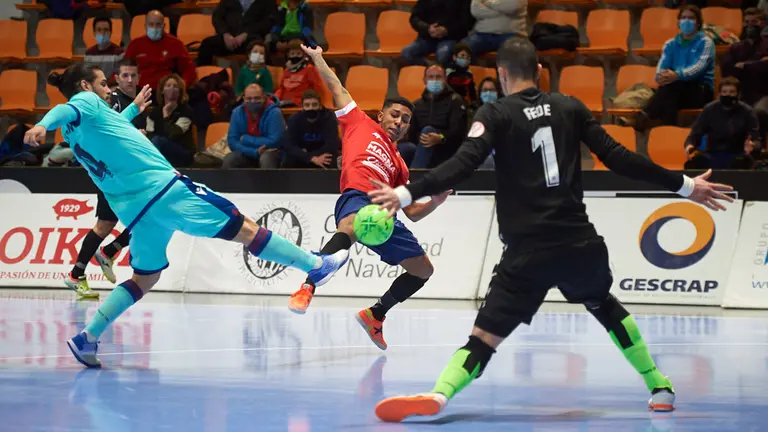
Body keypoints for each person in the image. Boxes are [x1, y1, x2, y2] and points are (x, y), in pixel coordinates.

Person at [368, 37, 734, 422]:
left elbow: (463, 163)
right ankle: (659, 385)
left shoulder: (495, 114)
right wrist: (687, 186)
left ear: (502, 74)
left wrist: (407, 191)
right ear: (540, 72)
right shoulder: (569, 107)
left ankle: (440, 395)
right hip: (579, 244)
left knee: (483, 339)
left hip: (527, 252)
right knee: (603, 304)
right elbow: (620, 157)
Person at [24, 63, 349, 369]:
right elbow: (66, 108)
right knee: (245, 228)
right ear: (84, 86)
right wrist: (41, 125)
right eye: (102, 84)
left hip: (136, 210)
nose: (108, 90)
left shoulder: (75, 131)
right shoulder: (84, 103)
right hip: (165, 192)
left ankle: (88, 337)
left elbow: (114, 128)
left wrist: (135, 107)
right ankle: (316, 267)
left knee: (145, 278)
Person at [287, 45, 452, 351]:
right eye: (395, 115)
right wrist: (318, 57)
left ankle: (375, 315)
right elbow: (336, 86)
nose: (400, 121)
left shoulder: (401, 165)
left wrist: (436, 202)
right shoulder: (359, 122)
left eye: (405, 119)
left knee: (423, 270)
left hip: (385, 217)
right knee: (349, 226)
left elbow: (412, 211)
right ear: (381, 115)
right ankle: (307, 287)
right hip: (358, 196)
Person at [65, 59, 148, 298]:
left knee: (112, 223)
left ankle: (80, 271)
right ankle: (107, 253)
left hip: (118, 173)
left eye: (133, 75)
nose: (129, 80)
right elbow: (113, 134)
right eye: (124, 76)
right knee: (147, 217)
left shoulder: (132, 103)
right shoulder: (107, 103)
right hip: (115, 174)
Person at [638, 5, 715, 128]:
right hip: (676, 90)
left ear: (698, 23)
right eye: (683, 18)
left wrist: (677, 75)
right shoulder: (670, 44)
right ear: (678, 22)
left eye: (691, 18)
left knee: (673, 87)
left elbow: (699, 67)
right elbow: (661, 68)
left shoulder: (706, 42)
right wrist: (661, 77)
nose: (687, 21)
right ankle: (668, 129)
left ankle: (647, 115)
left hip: (700, 90)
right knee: (671, 91)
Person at [684, 77, 762, 169]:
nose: (727, 95)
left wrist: (752, 145)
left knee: (742, 163)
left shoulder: (747, 111)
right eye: (724, 92)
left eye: (732, 92)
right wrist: (690, 145)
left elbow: (757, 140)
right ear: (720, 94)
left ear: (738, 94)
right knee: (693, 163)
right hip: (713, 153)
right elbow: (695, 133)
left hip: (737, 154)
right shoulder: (710, 109)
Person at [123, 10, 197, 97]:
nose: (154, 28)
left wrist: (183, 85)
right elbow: (125, 68)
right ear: (145, 26)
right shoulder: (135, 45)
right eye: (151, 24)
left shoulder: (175, 44)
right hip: (141, 90)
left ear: (164, 26)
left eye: (158, 24)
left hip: (167, 90)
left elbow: (188, 68)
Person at [196, 0, 275, 66]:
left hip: (251, 39)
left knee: (258, 49)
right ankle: (204, 79)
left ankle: (255, 78)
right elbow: (217, 17)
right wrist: (225, 34)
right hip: (228, 38)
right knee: (206, 44)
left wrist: (246, 34)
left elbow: (268, 22)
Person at [223, 83, 284, 169]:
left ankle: (269, 183)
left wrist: (245, 139)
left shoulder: (274, 112)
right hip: (247, 152)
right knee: (230, 159)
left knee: (266, 158)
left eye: (257, 98)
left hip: (270, 152)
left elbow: (275, 141)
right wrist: (254, 152)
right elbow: (232, 141)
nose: (253, 101)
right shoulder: (237, 112)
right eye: (249, 98)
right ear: (244, 99)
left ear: (263, 97)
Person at [402, 0, 475, 66]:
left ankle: (438, 71)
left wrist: (447, 30)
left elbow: (467, 23)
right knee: (407, 53)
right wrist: (427, 28)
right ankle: (433, 69)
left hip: (450, 38)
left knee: (443, 56)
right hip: (427, 37)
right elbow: (414, 18)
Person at [282, 89, 340, 169]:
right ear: (302, 107)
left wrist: (313, 156)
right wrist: (311, 158)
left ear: (320, 106)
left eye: (314, 105)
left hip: (323, 154)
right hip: (303, 155)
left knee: (331, 159)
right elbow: (289, 145)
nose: (311, 108)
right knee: (288, 159)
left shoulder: (329, 117)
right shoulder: (294, 119)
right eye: (307, 105)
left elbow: (332, 144)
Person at [147, 74, 196, 168]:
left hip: (182, 152)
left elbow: (173, 134)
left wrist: (166, 115)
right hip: (160, 152)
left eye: (175, 86)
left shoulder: (186, 111)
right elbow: (150, 137)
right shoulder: (154, 113)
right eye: (168, 85)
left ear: (180, 92)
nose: (172, 89)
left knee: (158, 140)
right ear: (162, 90)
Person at [462, 0, 527, 57]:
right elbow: (475, 10)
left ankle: (504, 71)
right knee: (463, 48)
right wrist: (501, 10)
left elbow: (511, 6)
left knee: (515, 50)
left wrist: (487, 2)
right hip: (482, 34)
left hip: (510, 34)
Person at [274, 40, 322, 107]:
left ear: (304, 54)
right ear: (288, 55)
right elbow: (282, 88)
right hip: (283, 103)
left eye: (298, 53)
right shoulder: (286, 70)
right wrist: (275, 98)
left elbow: (316, 88)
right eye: (292, 54)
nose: (295, 56)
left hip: (302, 103)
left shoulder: (310, 69)